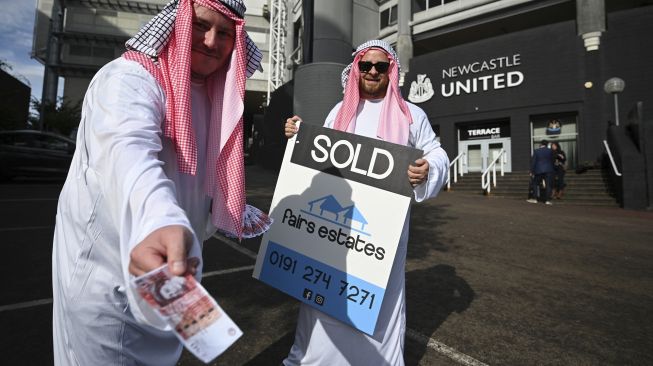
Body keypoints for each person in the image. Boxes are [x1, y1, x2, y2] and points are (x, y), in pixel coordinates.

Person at [51, 1, 263, 364]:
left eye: (225, 33)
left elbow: (196, 179)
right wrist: (159, 220)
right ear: (177, 21)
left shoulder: (216, 95)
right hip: (110, 274)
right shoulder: (130, 78)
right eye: (200, 25)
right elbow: (127, 150)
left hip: (174, 269)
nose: (212, 42)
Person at [283, 40, 449, 365]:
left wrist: (427, 168)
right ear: (356, 69)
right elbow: (320, 155)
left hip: (384, 232)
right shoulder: (339, 111)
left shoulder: (412, 115)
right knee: (323, 292)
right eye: (366, 65)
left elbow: (437, 152)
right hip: (333, 227)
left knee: (381, 298)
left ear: (391, 71)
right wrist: (298, 133)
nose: (373, 71)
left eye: (381, 66)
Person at [527, 139, 555, 205]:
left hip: (538, 170)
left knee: (535, 183)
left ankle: (535, 199)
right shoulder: (550, 151)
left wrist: (531, 171)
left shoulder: (536, 151)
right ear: (547, 144)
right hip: (548, 170)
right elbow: (552, 160)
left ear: (541, 144)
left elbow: (533, 162)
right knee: (548, 185)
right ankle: (547, 200)